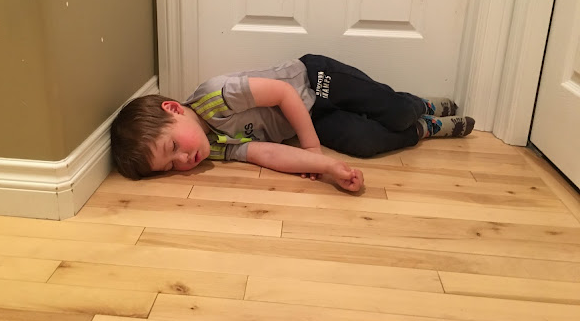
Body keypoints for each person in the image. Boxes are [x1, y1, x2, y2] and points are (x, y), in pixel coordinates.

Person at [110, 54, 474, 192]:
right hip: (312, 116)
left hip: (314, 80)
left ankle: (419, 106)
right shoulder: (216, 148)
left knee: (394, 111)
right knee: (364, 142)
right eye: (170, 166)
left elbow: (284, 93)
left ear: (174, 109)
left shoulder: (215, 96)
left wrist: (312, 146)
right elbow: (268, 154)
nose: (183, 160)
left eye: (173, 147)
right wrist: (327, 167)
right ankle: (425, 128)